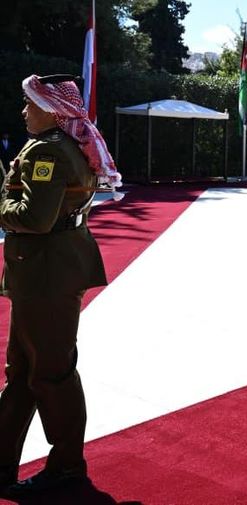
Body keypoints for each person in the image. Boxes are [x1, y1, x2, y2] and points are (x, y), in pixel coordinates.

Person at [0, 74, 121, 496]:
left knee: (51, 374)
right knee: (24, 373)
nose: (24, 111)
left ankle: (67, 469)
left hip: (46, 276)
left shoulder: (48, 150)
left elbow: (34, 218)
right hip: (46, 272)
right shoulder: (64, 143)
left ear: (52, 111)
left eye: (30, 104)